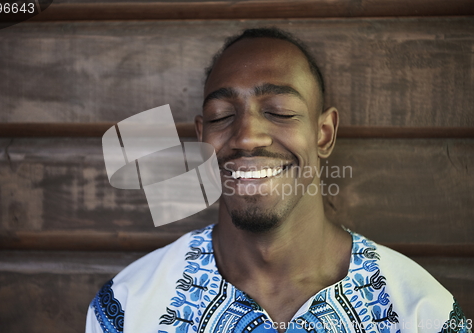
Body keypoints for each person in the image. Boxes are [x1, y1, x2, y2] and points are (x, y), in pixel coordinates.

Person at [86, 27, 471, 333]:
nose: (247, 136)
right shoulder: (127, 311)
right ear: (202, 136)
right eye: (222, 116)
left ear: (323, 134)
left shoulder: (421, 314)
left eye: (281, 111)